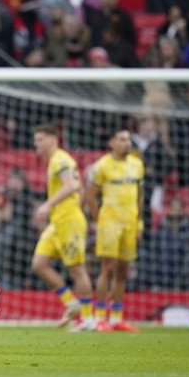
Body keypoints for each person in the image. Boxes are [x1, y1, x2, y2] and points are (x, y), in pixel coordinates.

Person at [30, 124, 95, 332]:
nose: (36, 144)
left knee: (76, 269)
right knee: (39, 264)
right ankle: (71, 302)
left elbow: (71, 186)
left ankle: (88, 318)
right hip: (58, 222)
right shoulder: (58, 160)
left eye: (40, 139)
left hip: (68, 221)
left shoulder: (59, 159)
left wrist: (47, 205)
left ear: (52, 139)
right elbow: (80, 188)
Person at [84, 129, 144, 332]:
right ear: (111, 142)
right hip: (110, 223)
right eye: (121, 139)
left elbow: (140, 195)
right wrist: (100, 219)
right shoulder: (102, 166)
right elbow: (90, 196)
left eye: (128, 139)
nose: (126, 143)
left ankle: (117, 318)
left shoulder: (137, 164)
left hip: (130, 222)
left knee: (123, 270)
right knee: (107, 268)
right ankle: (100, 317)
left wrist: (139, 222)